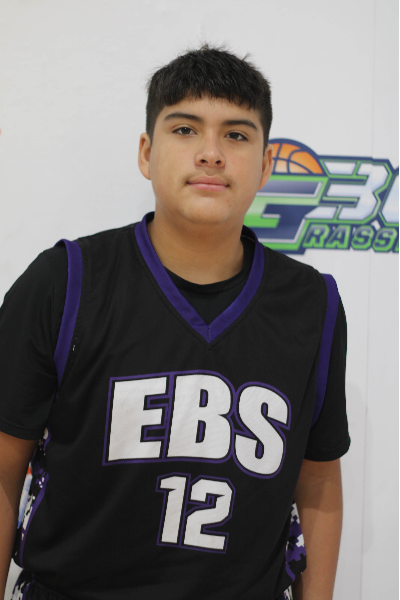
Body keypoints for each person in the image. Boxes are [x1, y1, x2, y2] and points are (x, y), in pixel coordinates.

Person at [0, 45, 350, 600]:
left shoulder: (314, 304)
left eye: (236, 135)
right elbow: (3, 469)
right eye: (185, 129)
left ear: (265, 165)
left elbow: (319, 480)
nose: (211, 153)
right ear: (146, 152)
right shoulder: (64, 282)